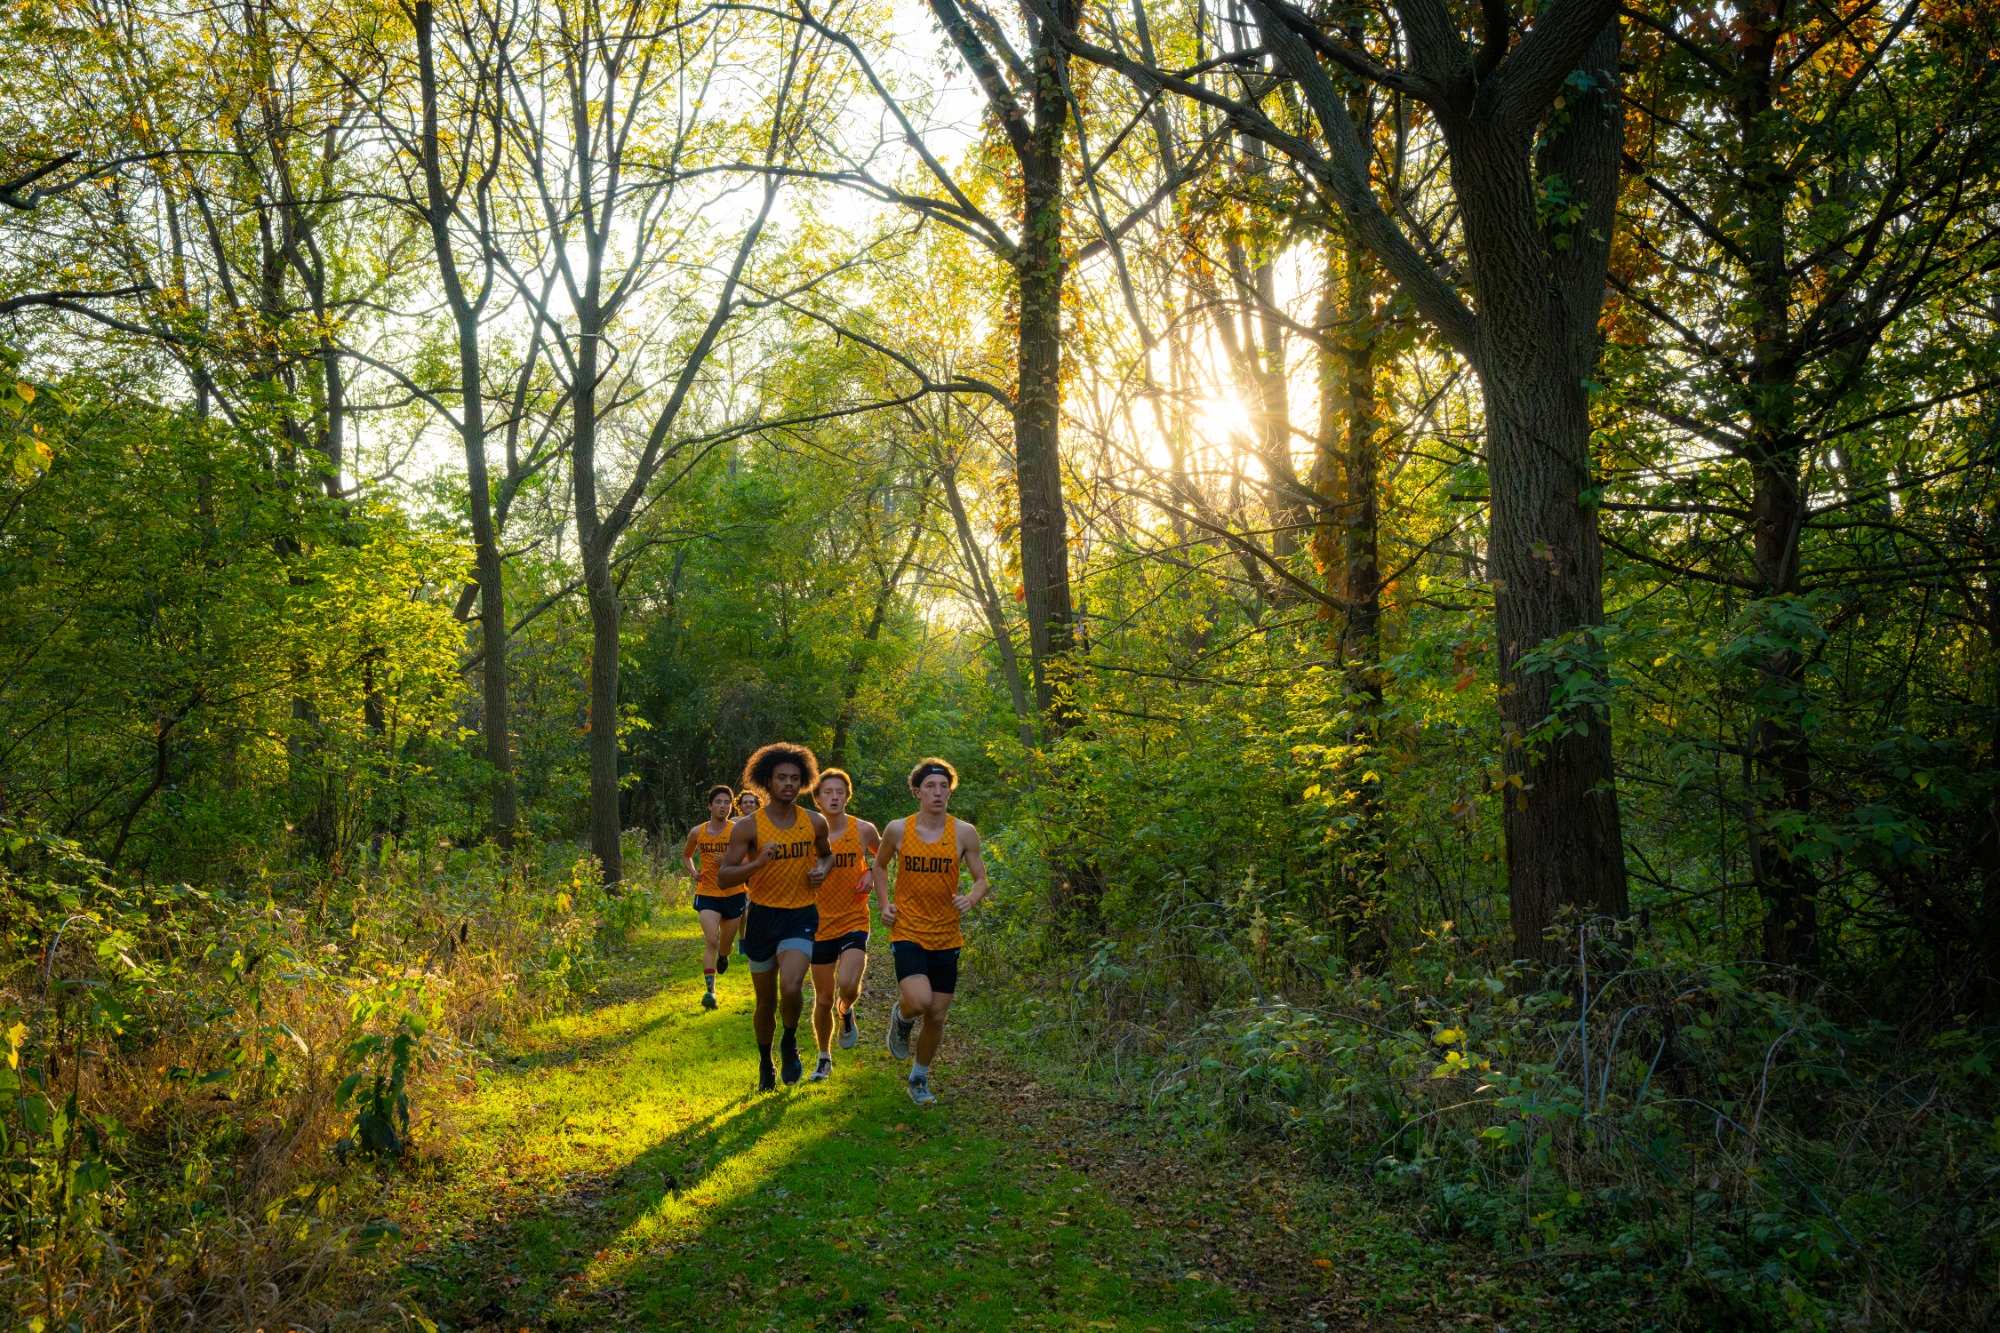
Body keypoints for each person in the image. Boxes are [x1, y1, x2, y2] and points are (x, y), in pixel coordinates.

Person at [872, 757, 989, 1107]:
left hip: (946, 935)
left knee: (937, 1014)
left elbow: (981, 879)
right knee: (920, 1002)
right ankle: (902, 1015)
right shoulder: (897, 829)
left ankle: (918, 1078)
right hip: (907, 928)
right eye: (931, 787)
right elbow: (879, 866)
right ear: (916, 792)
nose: (938, 792)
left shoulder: (964, 832)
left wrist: (970, 898)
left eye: (944, 787)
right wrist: (884, 904)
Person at [719, 743, 834, 1090]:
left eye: (795, 778)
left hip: (800, 915)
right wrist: (756, 864)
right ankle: (765, 1058)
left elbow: (827, 857)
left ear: (803, 783)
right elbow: (725, 876)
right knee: (765, 1002)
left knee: (792, 985)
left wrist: (822, 871)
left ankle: (789, 1040)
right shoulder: (748, 827)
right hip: (762, 918)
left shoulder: (815, 822)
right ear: (766, 781)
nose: (788, 783)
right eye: (781, 777)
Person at [805, 768, 879, 1082]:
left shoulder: (863, 829)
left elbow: (886, 857)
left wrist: (872, 873)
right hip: (816, 923)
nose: (834, 797)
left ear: (847, 796)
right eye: (827, 792)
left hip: (853, 918)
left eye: (840, 792)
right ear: (818, 799)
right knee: (822, 998)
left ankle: (846, 1008)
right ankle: (824, 1058)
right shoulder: (805, 833)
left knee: (848, 986)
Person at [682, 785, 744, 1011]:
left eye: (727, 802)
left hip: (734, 893)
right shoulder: (697, 831)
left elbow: (751, 861)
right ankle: (710, 992)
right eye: (718, 802)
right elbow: (687, 855)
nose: (723, 806)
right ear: (710, 805)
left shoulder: (738, 830)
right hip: (707, 893)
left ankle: (724, 956)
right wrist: (693, 872)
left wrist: (728, 861)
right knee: (712, 940)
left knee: (725, 945)